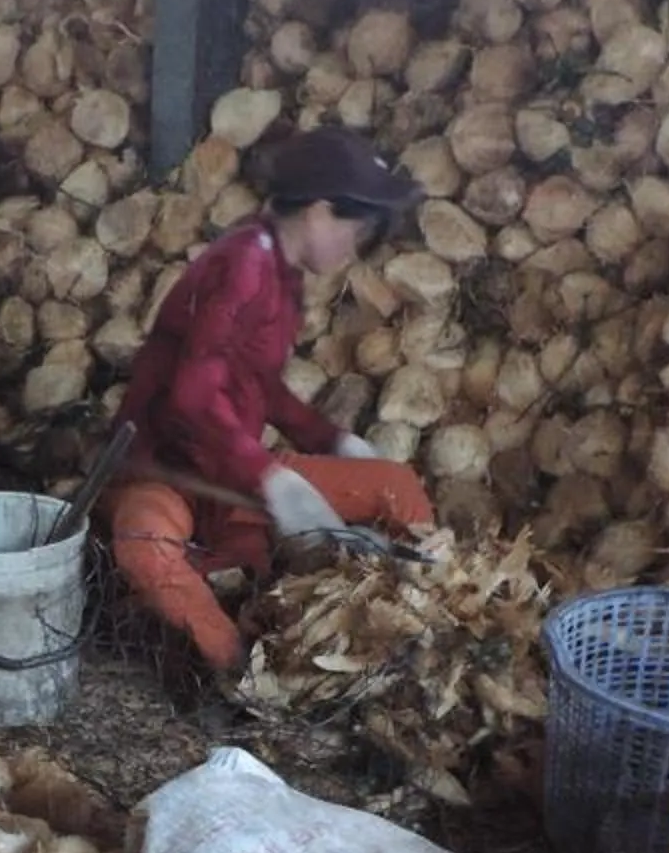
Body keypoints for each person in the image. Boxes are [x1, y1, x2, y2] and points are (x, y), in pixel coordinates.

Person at [108, 126, 438, 672]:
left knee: (394, 483)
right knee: (144, 542)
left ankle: (427, 609)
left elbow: (260, 387)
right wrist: (270, 478)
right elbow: (192, 396)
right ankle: (239, 672)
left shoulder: (282, 275)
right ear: (317, 211)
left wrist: (331, 439)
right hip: (165, 472)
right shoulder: (243, 263)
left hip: (230, 477)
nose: (352, 247)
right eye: (353, 230)